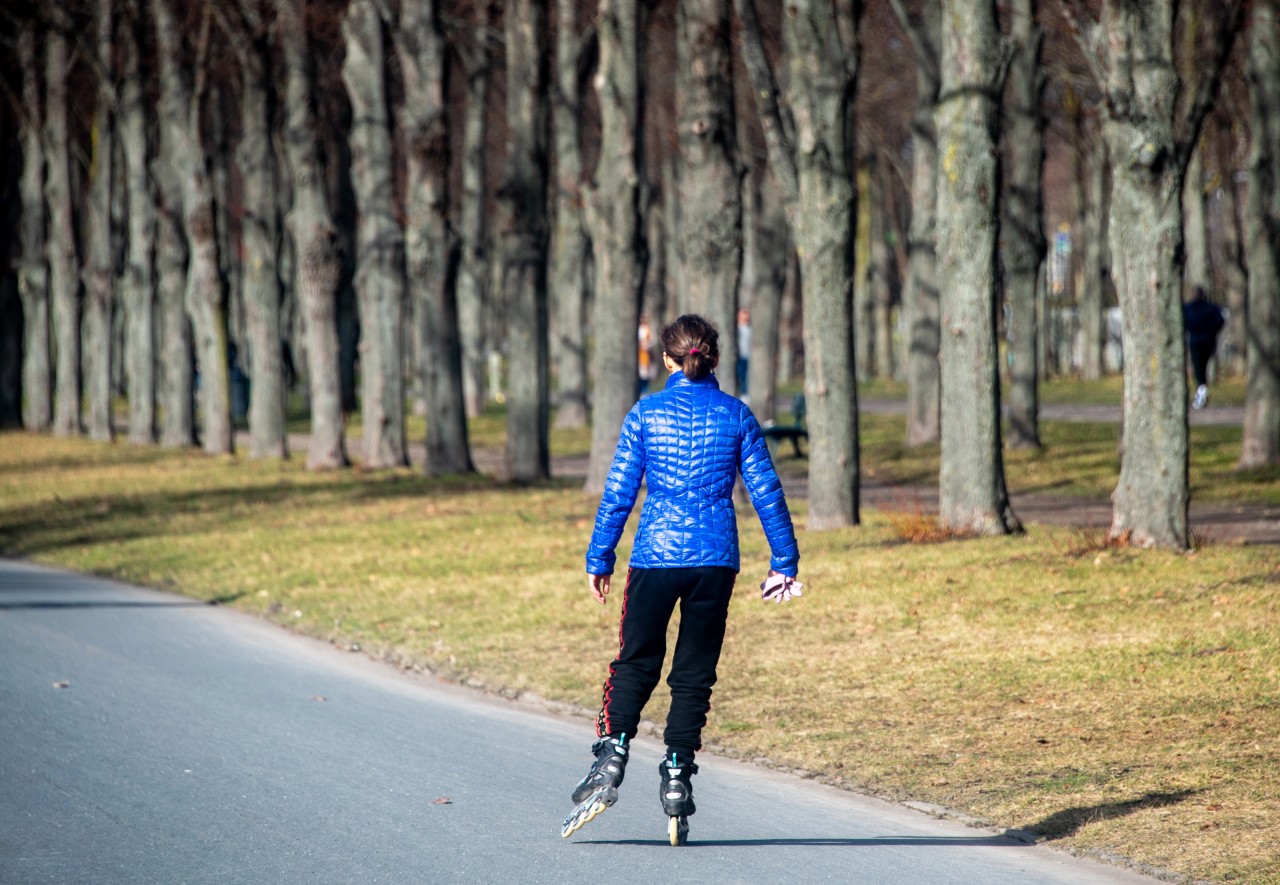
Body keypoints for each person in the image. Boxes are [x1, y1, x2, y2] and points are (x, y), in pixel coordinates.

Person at [561, 314, 802, 845]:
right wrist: (785, 561)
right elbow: (767, 491)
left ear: (668, 360)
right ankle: (676, 773)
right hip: (714, 563)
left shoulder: (645, 413)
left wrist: (599, 558)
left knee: (636, 659)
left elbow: (619, 491)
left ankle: (613, 753)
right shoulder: (737, 415)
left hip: (655, 557)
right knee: (694, 672)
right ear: (713, 358)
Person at [1183, 286, 1226, 410]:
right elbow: (1221, 321)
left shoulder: (1188, 308)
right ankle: (1201, 391)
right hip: (1208, 340)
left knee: (1198, 368)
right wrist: (1212, 332)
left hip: (1195, 341)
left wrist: (1191, 331)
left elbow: (1184, 322)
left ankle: (1201, 393)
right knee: (1203, 367)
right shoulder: (1212, 308)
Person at [637, 314, 656, 399]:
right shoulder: (638, 329)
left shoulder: (647, 329)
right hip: (640, 357)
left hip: (646, 357)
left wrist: (647, 345)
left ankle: (644, 393)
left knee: (645, 375)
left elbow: (652, 341)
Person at [735, 307, 751, 397]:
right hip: (739, 357)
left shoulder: (750, 329)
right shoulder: (736, 329)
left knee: (746, 377)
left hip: (748, 356)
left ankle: (745, 395)